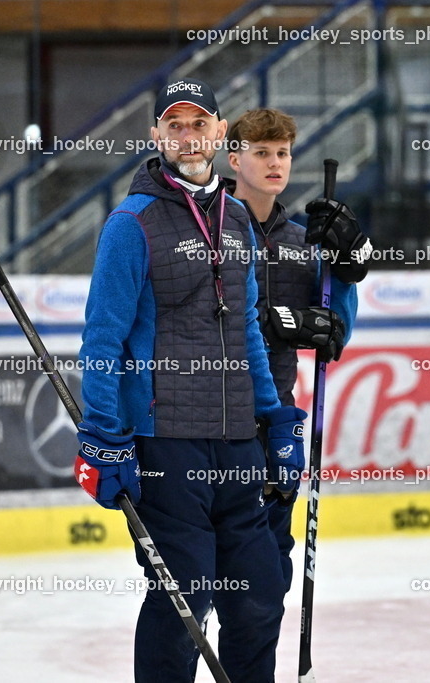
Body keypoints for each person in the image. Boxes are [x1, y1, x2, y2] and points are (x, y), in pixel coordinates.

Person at [74, 77, 306, 682]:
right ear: (156, 135)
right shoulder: (132, 223)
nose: (186, 134)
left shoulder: (235, 221)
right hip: (164, 442)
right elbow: (102, 339)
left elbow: (250, 330)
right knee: (185, 597)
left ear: (220, 132)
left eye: (198, 122)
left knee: (259, 592)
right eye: (173, 124)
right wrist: (102, 436)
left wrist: (277, 416)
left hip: (235, 441)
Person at [224, 107, 365, 605]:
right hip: (209, 420)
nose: (274, 163)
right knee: (211, 572)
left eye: (282, 153)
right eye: (261, 153)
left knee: (266, 581)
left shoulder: (303, 242)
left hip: (275, 424)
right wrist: (280, 320)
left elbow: (334, 331)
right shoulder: (208, 230)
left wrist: (347, 264)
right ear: (234, 158)